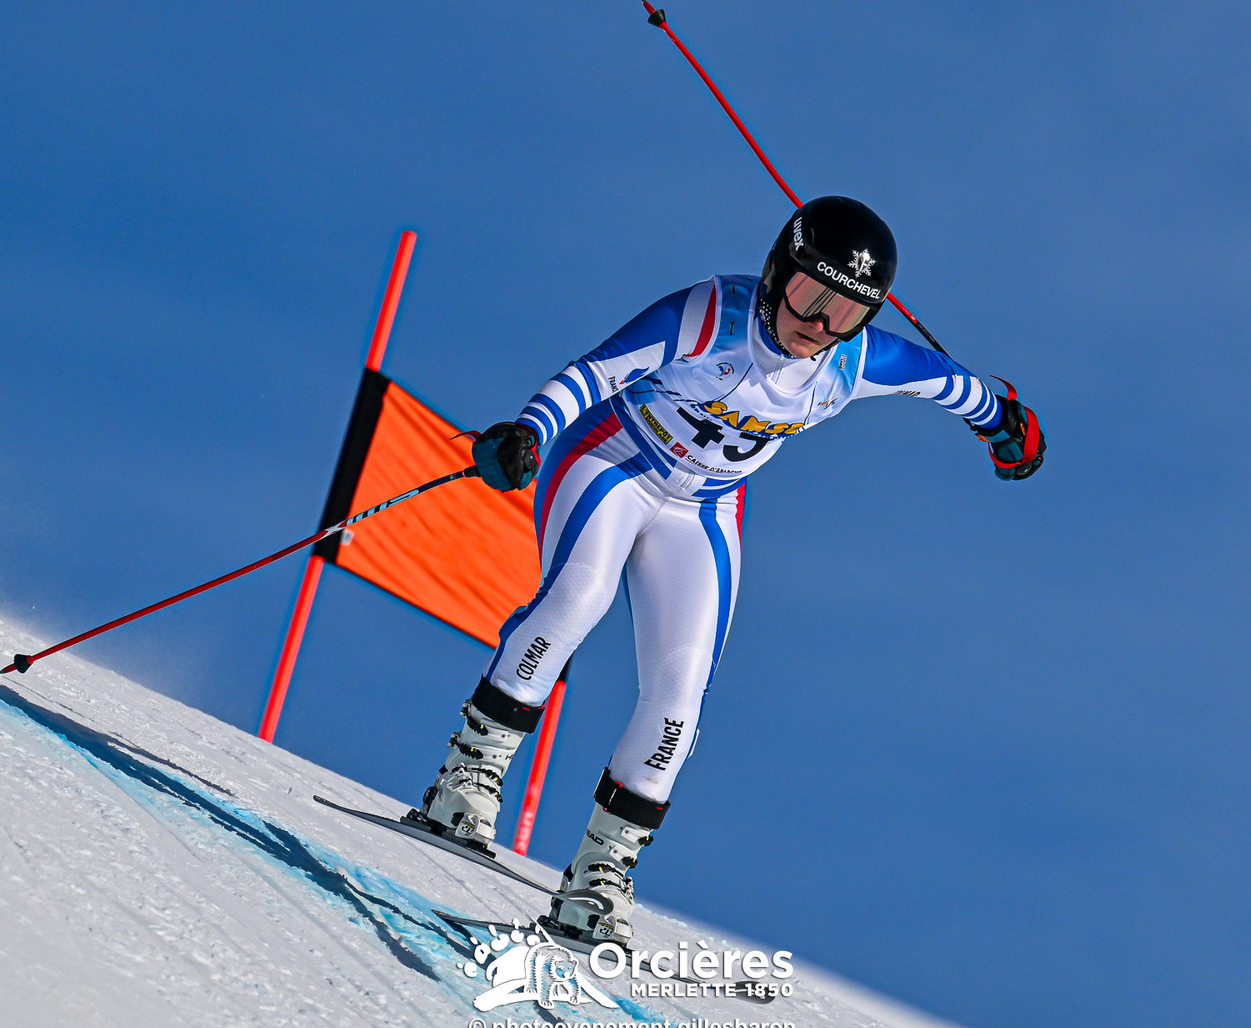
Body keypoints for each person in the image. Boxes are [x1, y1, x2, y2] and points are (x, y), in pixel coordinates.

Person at [411, 196, 1045, 945]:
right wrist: (528, 431)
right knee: (578, 598)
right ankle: (469, 779)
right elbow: (592, 374)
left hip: (703, 509)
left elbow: (949, 383)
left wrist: (1002, 421)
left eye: (845, 312)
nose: (819, 325)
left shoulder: (853, 361)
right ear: (777, 272)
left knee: (681, 688)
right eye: (809, 295)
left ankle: (601, 871)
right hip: (614, 460)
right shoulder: (711, 314)